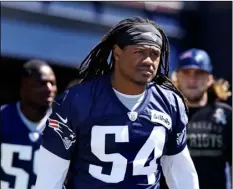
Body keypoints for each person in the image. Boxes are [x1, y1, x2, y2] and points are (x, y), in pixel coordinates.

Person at [35, 17, 199, 189]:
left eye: (154, 54)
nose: (149, 61)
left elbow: (181, 172)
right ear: (117, 53)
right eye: (139, 52)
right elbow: (49, 177)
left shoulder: (170, 103)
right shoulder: (76, 101)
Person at [163, 48, 232, 189]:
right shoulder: (163, 115)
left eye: (199, 73)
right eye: (186, 73)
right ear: (176, 77)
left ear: (210, 79)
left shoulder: (226, 115)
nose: (192, 80)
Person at [0, 59, 57, 189]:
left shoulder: (65, 126)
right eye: (42, 83)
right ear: (24, 87)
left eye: (52, 83)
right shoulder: (3, 118)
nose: (49, 89)